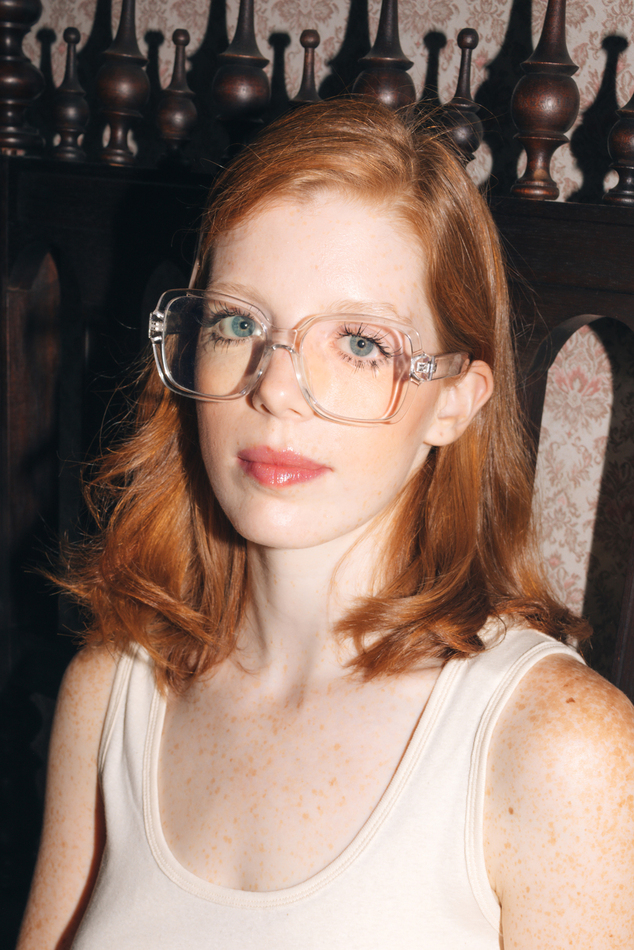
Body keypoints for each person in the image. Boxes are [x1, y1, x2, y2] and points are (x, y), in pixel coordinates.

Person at [17, 99, 634, 950]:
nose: (273, 389)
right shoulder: (110, 689)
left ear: (453, 402)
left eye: (360, 344)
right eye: (239, 323)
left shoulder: (561, 749)